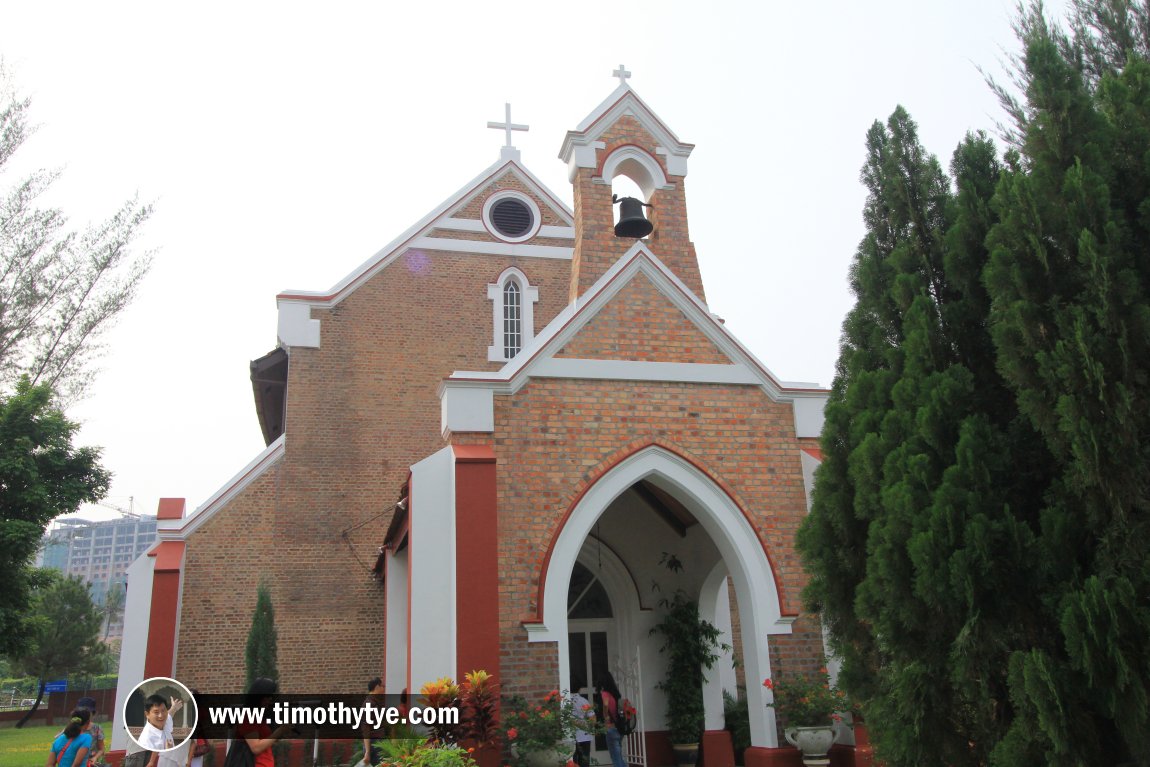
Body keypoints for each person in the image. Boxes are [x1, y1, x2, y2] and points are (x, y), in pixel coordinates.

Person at [234, 677, 294, 767]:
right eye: (268, 697)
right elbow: (256, 747)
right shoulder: (247, 718)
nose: (270, 700)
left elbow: (265, 742)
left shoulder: (259, 717)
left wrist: (282, 732)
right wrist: (279, 732)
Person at [597, 672, 626, 767]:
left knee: (615, 757)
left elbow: (605, 705)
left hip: (611, 728)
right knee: (618, 756)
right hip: (619, 728)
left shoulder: (605, 694)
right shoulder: (615, 694)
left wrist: (606, 716)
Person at [569, 678, 594, 767]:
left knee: (572, 762)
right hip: (585, 736)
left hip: (571, 737)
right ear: (579, 688)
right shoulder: (583, 701)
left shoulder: (565, 701)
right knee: (584, 762)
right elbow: (592, 719)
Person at [362, 677, 386, 766]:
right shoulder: (369, 704)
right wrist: (367, 752)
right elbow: (366, 729)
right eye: (383, 686)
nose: (384, 689)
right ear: (377, 687)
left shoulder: (376, 703)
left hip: (378, 743)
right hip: (373, 745)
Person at [74, 697, 105, 767]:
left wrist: (95, 757)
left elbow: (102, 749)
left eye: (87, 712)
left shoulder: (97, 728)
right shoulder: (73, 727)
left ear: (92, 713)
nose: (84, 715)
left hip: (91, 763)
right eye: (82, 712)